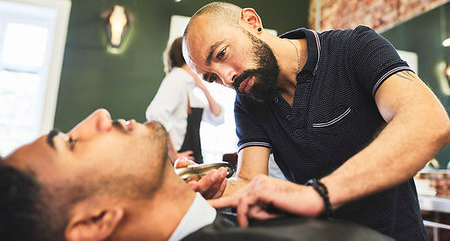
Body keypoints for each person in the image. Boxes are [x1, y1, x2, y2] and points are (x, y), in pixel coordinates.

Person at [182, 1, 450, 240]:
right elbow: (251, 181)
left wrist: (319, 194)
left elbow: (429, 120)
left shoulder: (353, 48)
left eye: (222, 55)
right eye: (212, 78)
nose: (226, 78)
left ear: (252, 22)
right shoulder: (249, 101)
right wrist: (215, 189)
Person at [0, 108, 394, 241]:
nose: (99, 117)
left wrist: (181, 199)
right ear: (95, 221)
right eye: (70, 142)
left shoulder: (206, 208)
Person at [146, 37, 224, 163]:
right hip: (177, 161)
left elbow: (217, 117)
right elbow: (155, 113)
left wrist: (204, 89)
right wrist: (172, 153)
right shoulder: (178, 77)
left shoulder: (189, 85)